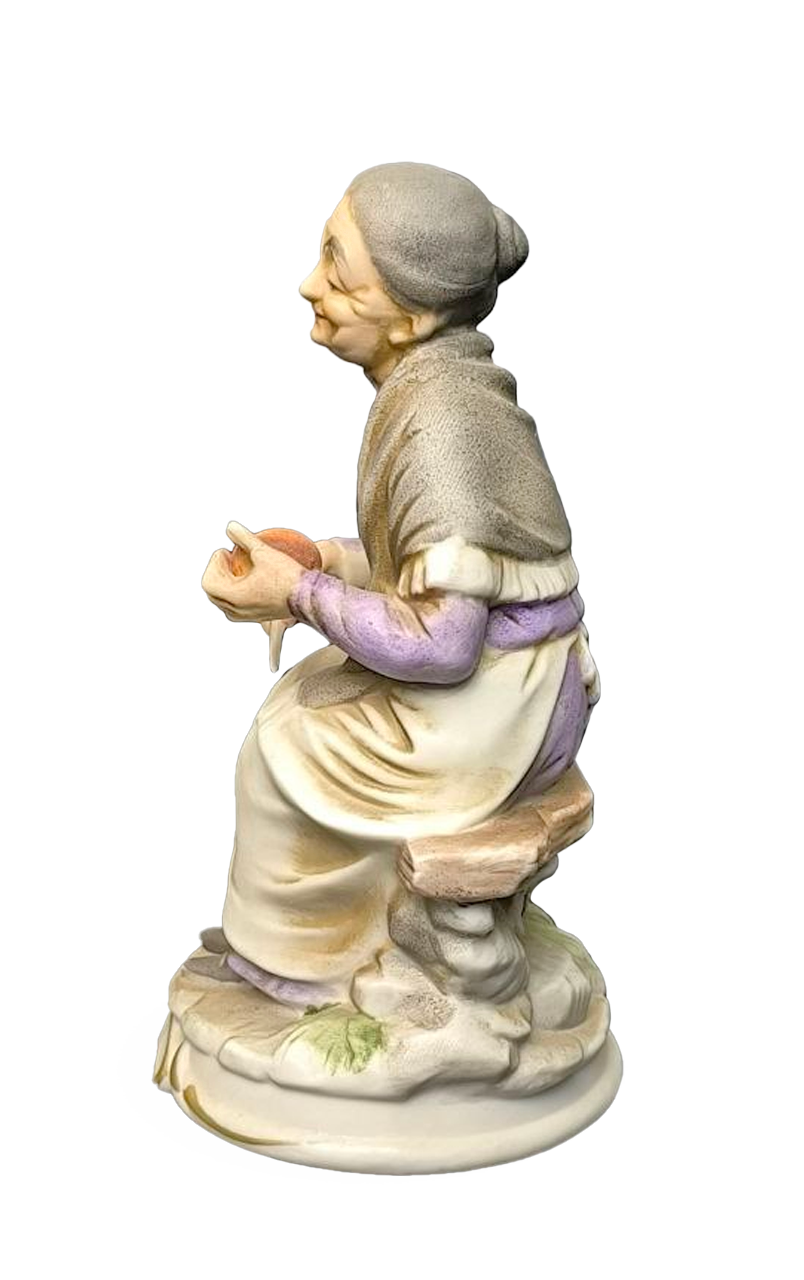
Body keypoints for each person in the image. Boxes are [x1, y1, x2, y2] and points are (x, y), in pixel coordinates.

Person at [201, 162, 599, 1003]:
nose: (309, 285)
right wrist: (323, 559)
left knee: (285, 745)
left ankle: (311, 966)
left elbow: (444, 644)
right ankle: (340, 936)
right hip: (509, 677)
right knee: (306, 695)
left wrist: (297, 596)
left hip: (509, 706)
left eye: (338, 270)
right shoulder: (434, 387)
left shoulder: (442, 423)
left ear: (411, 318)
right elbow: (437, 570)